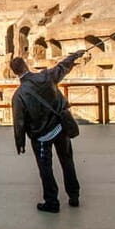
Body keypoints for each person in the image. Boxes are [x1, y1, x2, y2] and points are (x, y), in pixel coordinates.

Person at [10, 51, 84, 213]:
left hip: (41, 136)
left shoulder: (19, 95)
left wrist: (20, 142)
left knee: (46, 168)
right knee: (67, 161)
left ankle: (52, 201)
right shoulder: (46, 76)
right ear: (26, 65)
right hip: (60, 127)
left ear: (14, 72)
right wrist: (74, 56)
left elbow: (19, 121)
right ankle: (74, 195)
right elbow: (62, 67)